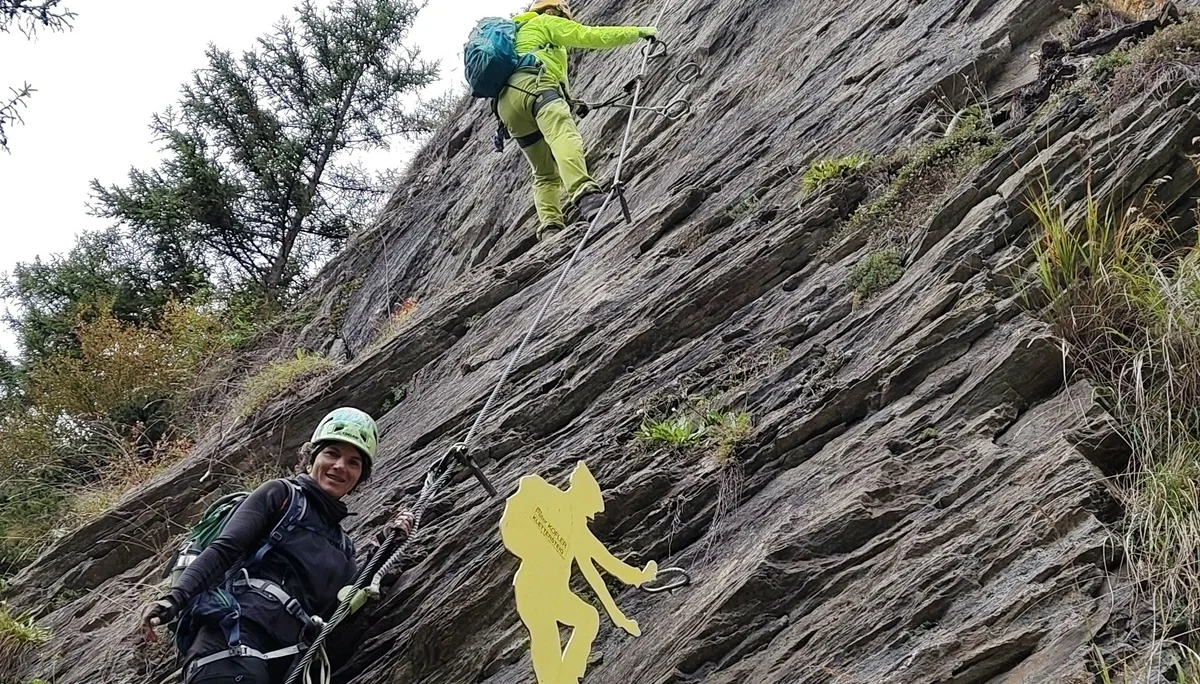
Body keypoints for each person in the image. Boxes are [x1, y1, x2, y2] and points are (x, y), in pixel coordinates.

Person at [139, 407, 415, 684]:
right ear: (311, 459)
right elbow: (225, 549)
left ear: (359, 478)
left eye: (353, 462)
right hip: (230, 645)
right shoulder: (281, 495)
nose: (340, 466)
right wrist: (173, 599)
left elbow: (338, 612)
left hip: (284, 664)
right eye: (332, 453)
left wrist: (385, 547)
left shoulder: (344, 549)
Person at [496, 0, 658, 241]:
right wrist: (638, 32)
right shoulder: (545, 22)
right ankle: (586, 195)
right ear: (552, 10)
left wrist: (569, 101)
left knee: (543, 172)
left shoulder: (516, 35)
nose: (567, 19)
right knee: (563, 135)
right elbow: (589, 35)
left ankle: (550, 227)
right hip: (535, 87)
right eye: (564, 15)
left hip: (507, 107)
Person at [499, 461, 657, 683]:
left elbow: (601, 566)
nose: (590, 516)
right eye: (589, 509)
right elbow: (518, 514)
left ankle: (569, 676)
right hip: (531, 590)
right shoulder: (545, 497)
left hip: (555, 593)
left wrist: (622, 611)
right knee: (547, 643)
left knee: (587, 618)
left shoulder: (577, 530)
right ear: (580, 497)